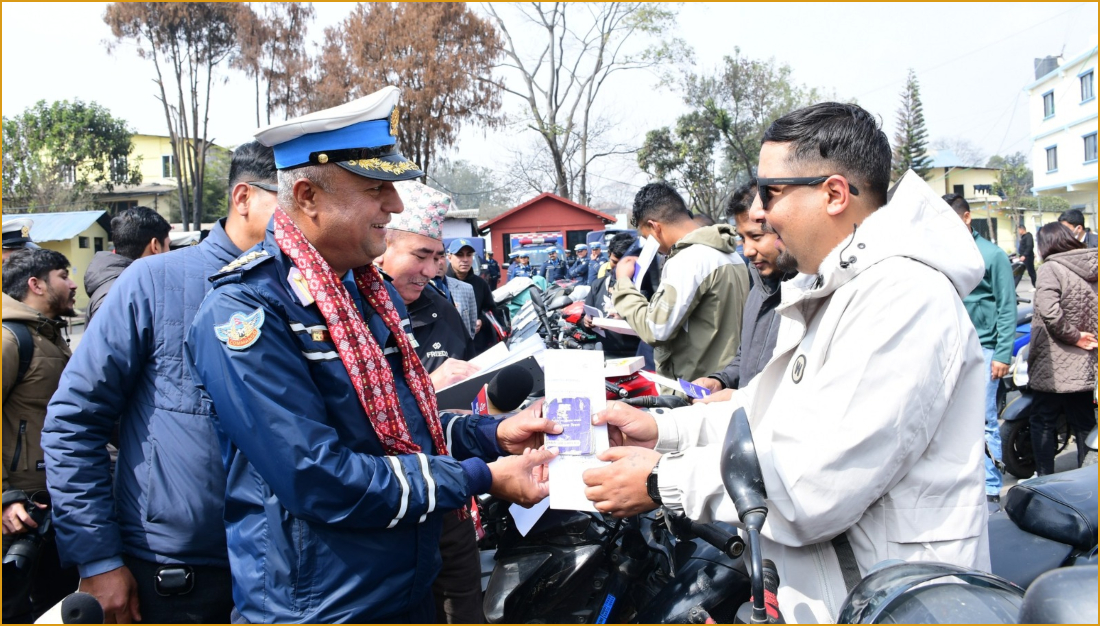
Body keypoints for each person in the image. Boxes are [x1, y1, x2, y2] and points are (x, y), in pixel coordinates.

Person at [582, 102, 990, 624]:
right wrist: (663, 431)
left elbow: (814, 483)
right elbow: (761, 416)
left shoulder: (903, 297)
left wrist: (664, 480)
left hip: (889, 605)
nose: (763, 213)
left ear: (834, 193)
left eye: (772, 192)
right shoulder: (835, 290)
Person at [183, 87, 558, 624]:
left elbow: (398, 428)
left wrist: (492, 434)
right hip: (321, 608)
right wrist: (481, 476)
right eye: (376, 188)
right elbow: (318, 477)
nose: (396, 205)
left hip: (403, 587)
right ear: (308, 196)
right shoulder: (246, 311)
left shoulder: (364, 294)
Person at [41, 142, 280, 623]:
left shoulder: (311, 291)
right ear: (243, 198)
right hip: (180, 573)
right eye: (293, 198)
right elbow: (74, 422)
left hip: (286, 568)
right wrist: (98, 558)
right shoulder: (155, 282)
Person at [376, 181, 484, 624]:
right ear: (381, 245)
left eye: (437, 257)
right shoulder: (349, 311)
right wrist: (426, 386)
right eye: (419, 255)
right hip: (391, 503)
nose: (430, 270)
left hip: (450, 493)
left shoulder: (442, 306)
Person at [3, 248, 77, 623]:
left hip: (47, 506)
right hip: (17, 512)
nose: (73, 284)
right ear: (36, 284)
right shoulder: (10, 339)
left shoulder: (49, 336)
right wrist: (5, 497)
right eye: (63, 275)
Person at [612, 182, 749, 383]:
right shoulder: (729, 253)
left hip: (697, 386)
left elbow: (655, 330)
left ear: (655, 227)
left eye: (647, 238)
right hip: (726, 379)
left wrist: (623, 283)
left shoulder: (688, 260)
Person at [692, 179, 796, 400]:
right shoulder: (757, 287)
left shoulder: (810, 293)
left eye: (756, 236)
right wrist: (721, 380)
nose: (747, 250)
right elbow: (747, 356)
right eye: (742, 238)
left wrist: (740, 399)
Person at [944, 193, 1016, 508]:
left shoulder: (993, 255)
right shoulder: (943, 253)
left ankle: (991, 488)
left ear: (967, 217)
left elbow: (1007, 307)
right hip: (951, 348)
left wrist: (1002, 354)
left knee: (984, 419)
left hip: (985, 348)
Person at [1027, 222, 1098, 476]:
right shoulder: (1092, 264)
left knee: (1043, 420)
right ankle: (1087, 480)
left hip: (1055, 362)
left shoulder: (1051, 268)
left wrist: (1075, 336)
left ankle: (1044, 481)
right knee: (1084, 423)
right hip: (1086, 358)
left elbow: (1049, 312)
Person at [84, 206, 171, 323]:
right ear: (155, 246)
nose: (170, 253)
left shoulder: (123, 288)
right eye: (168, 246)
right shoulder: (120, 295)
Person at [582, 233, 640, 358]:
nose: (619, 268)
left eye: (624, 263)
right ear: (609, 255)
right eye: (614, 262)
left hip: (637, 354)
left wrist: (625, 322)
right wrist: (586, 322)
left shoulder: (644, 287)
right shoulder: (598, 285)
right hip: (606, 354)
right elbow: (584, 318)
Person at [448, 237, 500, 354]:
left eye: (469, 255)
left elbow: (491, 310)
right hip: (450, 346)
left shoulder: (480, 284)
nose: (465, 259)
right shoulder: (442, 283)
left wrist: (481, 321)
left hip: (476, 346)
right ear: (449, 257)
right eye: (460, 255)